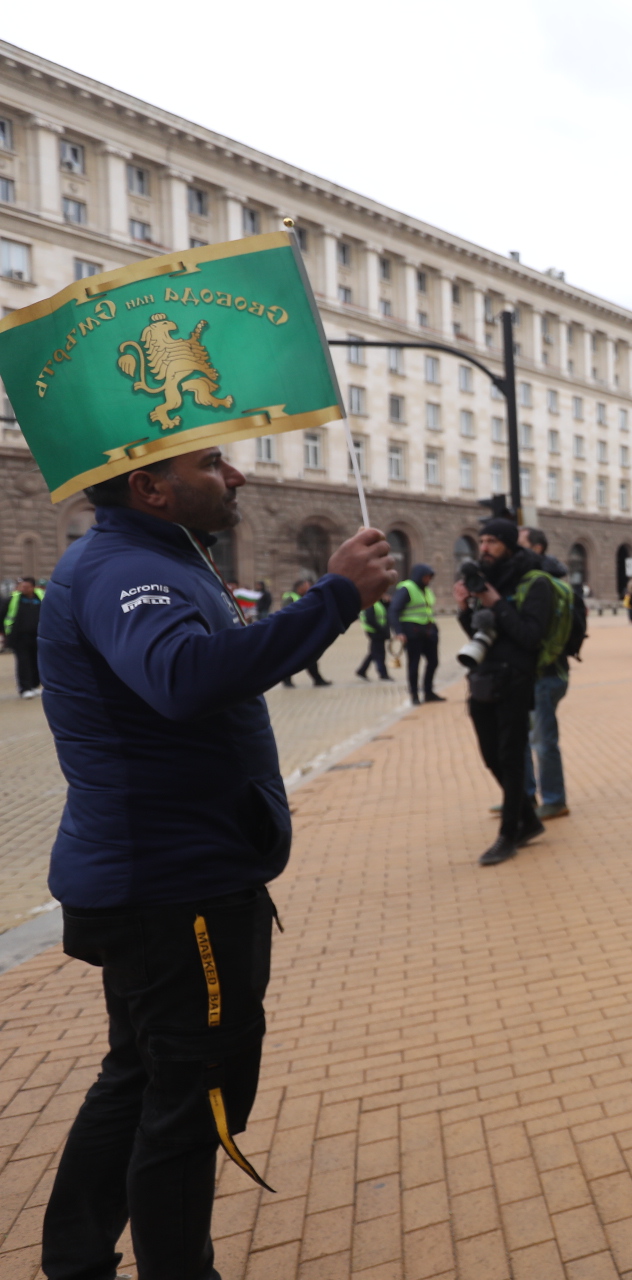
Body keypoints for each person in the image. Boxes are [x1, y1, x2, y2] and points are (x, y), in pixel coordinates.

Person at [35, 446, 393, 1280]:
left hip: (162, 880)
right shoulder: (126, 567)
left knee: (139, 1077)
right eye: (210, 463)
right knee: (192, 1105)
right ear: (149, 488)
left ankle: (76, 1261)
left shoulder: (150, 555)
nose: (238, 477)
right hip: (175, 892)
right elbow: (183, 678)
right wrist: (334, 597)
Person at [456, 519, 562, 866]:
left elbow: (529, 636)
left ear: (508, 544)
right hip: (484, 678)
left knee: (512, 758)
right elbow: (479, 634)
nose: (484, 547)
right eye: (481, 540)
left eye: (492, 541)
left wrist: (495, 601)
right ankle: (528, 820)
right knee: (491, 756)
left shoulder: (534, 581)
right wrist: (464, 607)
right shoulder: (487, 580)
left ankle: (508, 834)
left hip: (516, 681)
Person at [518, 527, 573, 821]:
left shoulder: (541, 584)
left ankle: (553, 799)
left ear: (536, 548)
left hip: (545, 673)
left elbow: (533, 632)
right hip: (541, 673)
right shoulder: (542, 579)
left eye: (521, 544)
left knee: (542, 740)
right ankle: (525, 795)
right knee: (526, 738)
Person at [392, 563, 443, 705]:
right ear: (419, 576)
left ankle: (428, 692)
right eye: (426, 577)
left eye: (430, 577)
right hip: (412, 632)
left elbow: (427, 609)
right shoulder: (406, 588)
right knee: (414, 664)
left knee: (433, 662)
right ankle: (414, 695)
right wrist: (399, 631)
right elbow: (394, 610)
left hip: (429, 630)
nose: (428, 580)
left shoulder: (426, 590)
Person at [276, 580, 331, 688]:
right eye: (306, 586)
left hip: (303, 631)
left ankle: (317, 679)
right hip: (293, 633)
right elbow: (287, 614)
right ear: (299, 587)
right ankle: (287, 680)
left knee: (310, 656)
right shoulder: (290, 597)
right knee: (293, 657)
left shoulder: (304, 596)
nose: (308, 587)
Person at [6, 575, 43, 698]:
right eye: (21, 586)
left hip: (38, 637)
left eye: (26, 587)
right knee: (23, 663)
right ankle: (25, 688)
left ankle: (34, 685)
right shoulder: (13, 600)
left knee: (36, 662)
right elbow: (3, 616)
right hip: (19, 638)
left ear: (33, 587)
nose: (23, 589)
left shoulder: (41, 598)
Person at [355, 589, 393, 682]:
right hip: (375, 632)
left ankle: (362, 670)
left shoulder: (379, 603)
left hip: (379, 631)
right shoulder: (371, 603)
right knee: (380, 653)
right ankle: (383, 674)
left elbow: (386, 613)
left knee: (374, 652)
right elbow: (370, 619)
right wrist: (382, 630)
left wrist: (388, 603)